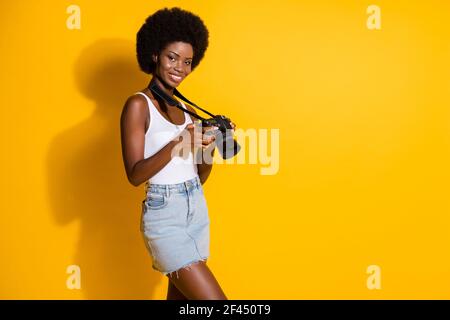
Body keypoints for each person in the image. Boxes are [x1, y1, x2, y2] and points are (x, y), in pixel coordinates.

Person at [120, 7, 234, 300]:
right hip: (164, 215)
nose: (179, 69)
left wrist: (211, 146)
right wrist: (179, 141)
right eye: (172, 58)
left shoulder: (189, 112)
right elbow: (135, 174)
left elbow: (199, 175)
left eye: (187, 62)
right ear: (155, 54)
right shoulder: (138, 105)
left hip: (195, 209)